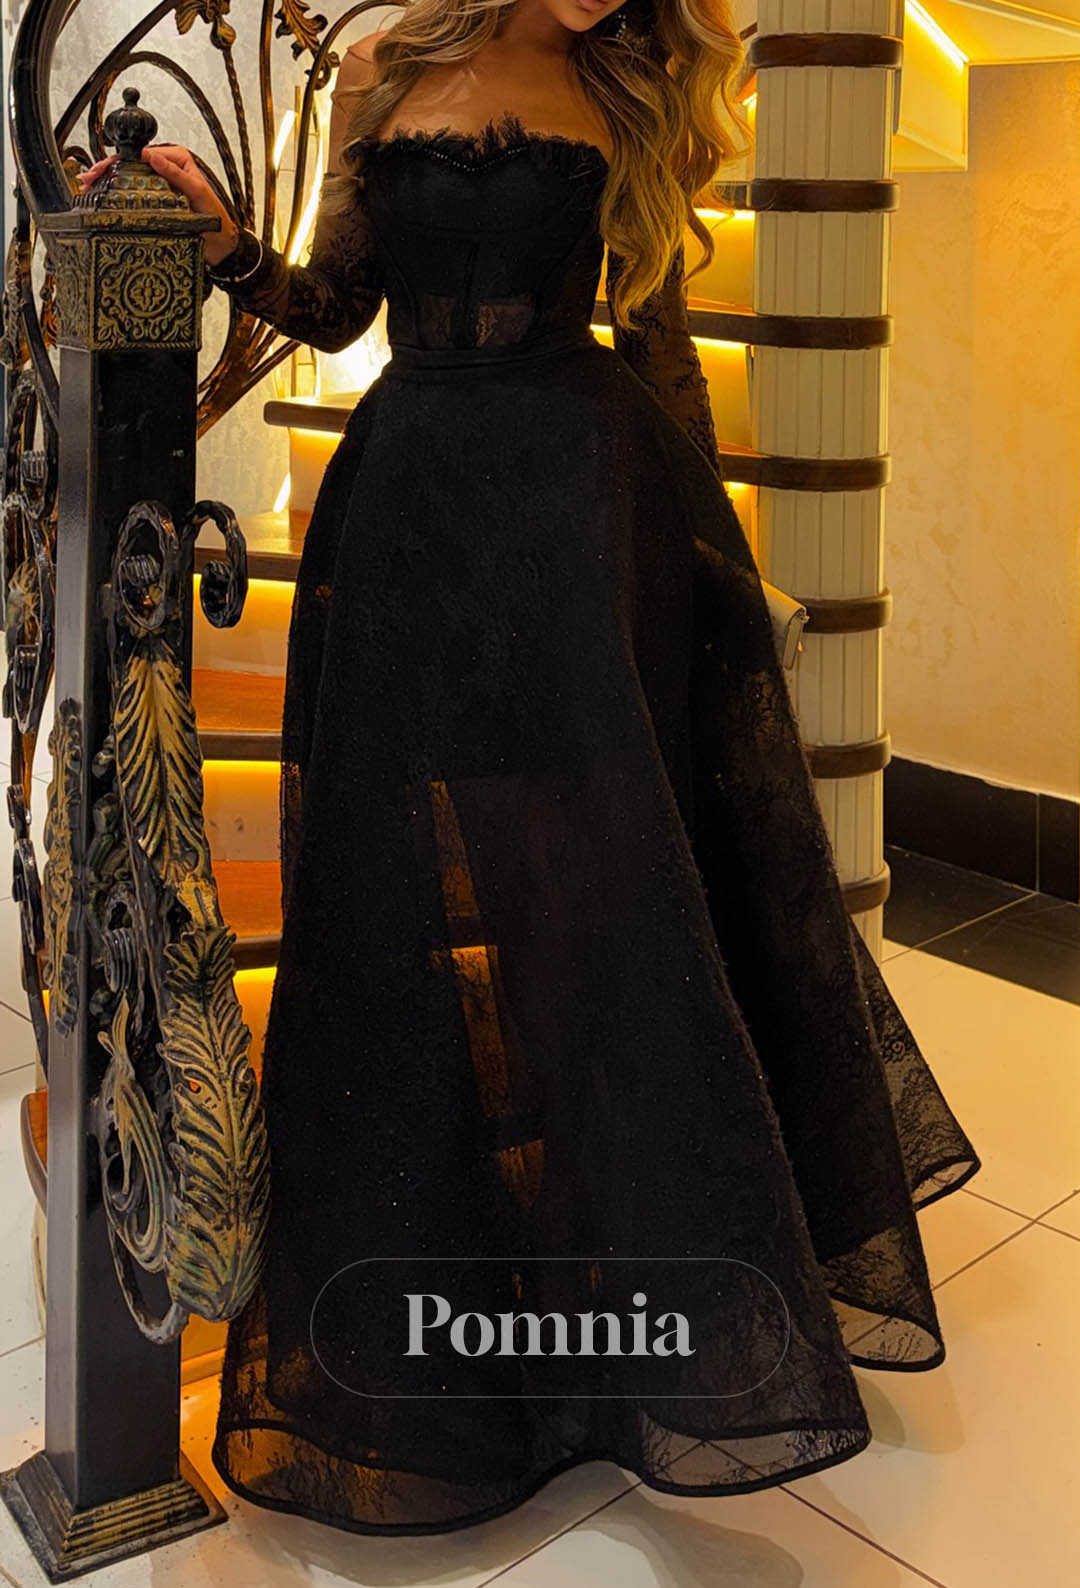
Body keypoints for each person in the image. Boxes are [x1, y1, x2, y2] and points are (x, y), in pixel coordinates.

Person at [81, 0, 980, 1538]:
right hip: (410, 513)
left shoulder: (633, 88)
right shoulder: (383, 69)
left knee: (595, 917)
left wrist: (716, 578)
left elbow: (662, 355)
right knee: (389, 906)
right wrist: (229, 248)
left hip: (578, 516)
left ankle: (631, 1320)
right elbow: (336, 311)